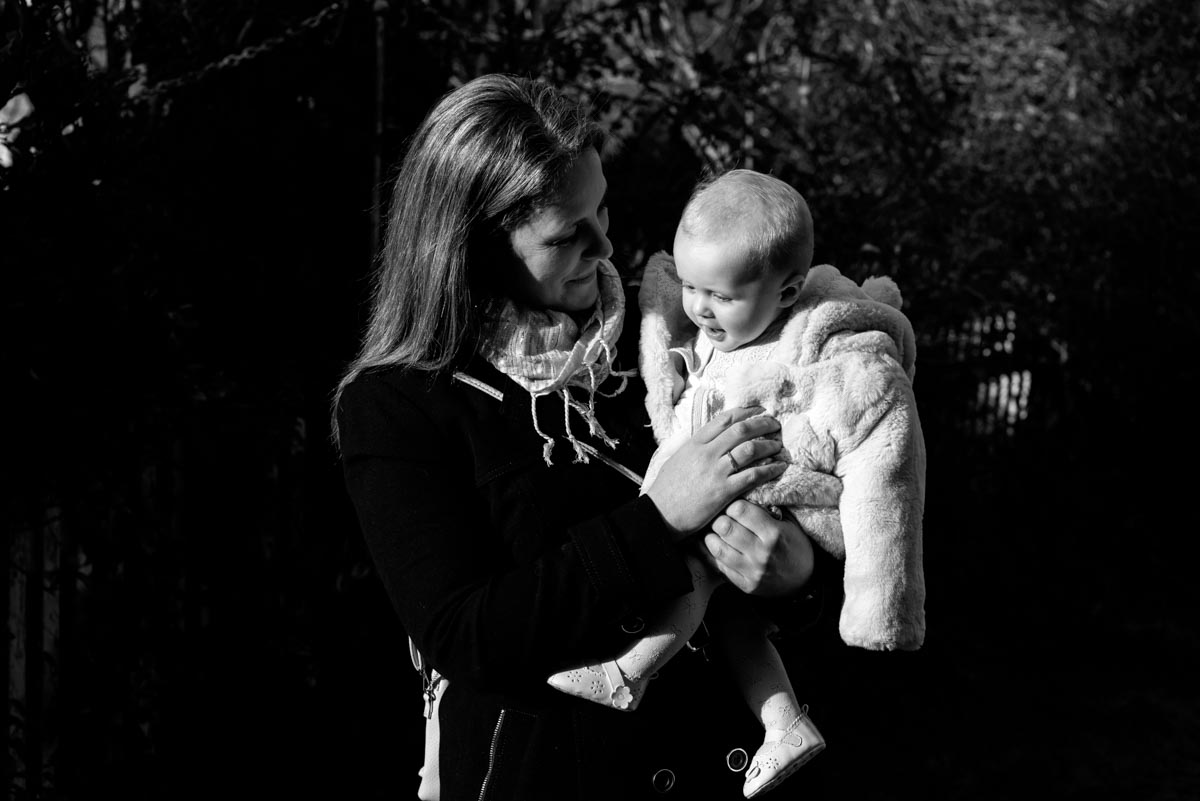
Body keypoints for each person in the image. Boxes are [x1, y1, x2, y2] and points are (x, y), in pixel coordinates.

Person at [333, 75, 830, 801]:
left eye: (602, 208)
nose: (606, 245)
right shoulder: (398, 405)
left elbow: (792, 497)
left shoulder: (663, 339)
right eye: (568, 233)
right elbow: (468, 635)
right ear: (471, 248)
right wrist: (657, 520)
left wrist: (793, 578)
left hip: (733, 767)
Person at [546, 170, 927, 798]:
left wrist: (877, 600)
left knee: (695, 569)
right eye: (690, 288)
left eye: (718, 295)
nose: (698, 309)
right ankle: (784, 723)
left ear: (788, 291)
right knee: (732, 621)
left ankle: (629, 670)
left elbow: (887, 468)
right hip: (735, 501)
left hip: (786, 499)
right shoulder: (713, 328)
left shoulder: (831, 359)